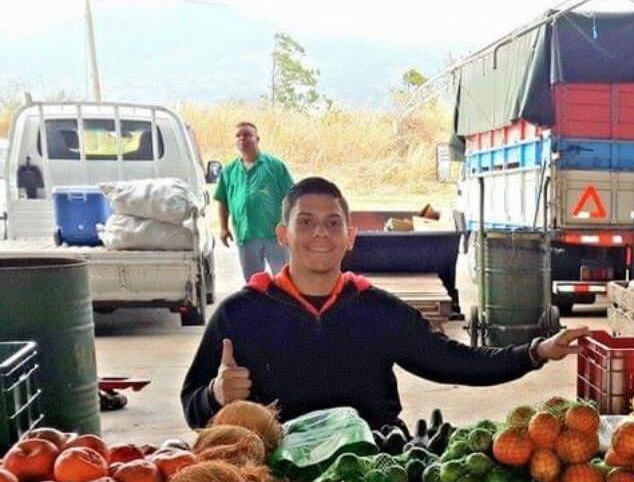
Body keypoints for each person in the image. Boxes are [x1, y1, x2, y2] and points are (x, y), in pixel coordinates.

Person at [181, 176, 587, 430]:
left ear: (350, 237)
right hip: (278, 481)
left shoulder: (379, 311)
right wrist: (216, 393)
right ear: (282, 235)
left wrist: (536, 352)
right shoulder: (241, 313)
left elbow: (456, 362)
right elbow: (192, 407)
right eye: (305, 222)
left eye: (333, 222)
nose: (320, 233)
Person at [214, 121, 294, 281]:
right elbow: (223, 200)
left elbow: (291, 197)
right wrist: (223, 228)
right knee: (253, 283)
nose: (242, 138)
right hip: (246, 235)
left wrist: (287, 226)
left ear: (257, 139)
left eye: (247, 135)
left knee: (285, 281)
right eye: (238, 135)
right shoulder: (229, 170)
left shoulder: (275, 166)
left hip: (275, 236)